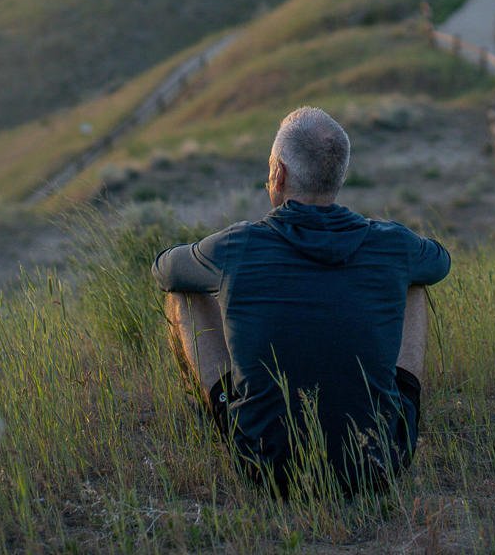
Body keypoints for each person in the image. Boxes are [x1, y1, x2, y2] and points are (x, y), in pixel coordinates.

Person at [151, 105, 450, 496]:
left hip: (264, 465)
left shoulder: (236, 246)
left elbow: (165, 271)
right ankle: (400, 403)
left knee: (184, 294)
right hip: (379, 461)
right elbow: (439, 262)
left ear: (278, 174)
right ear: (338, 175)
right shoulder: (392, 243)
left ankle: (220, 406)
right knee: (415, 280)